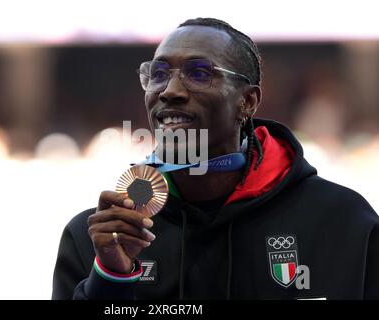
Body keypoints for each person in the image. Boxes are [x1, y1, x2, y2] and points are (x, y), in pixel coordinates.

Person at [51, 17, 379, 300]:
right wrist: (110, 279)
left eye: (198, 73)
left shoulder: (342, 223)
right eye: (159, 73)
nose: (169, 90)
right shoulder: (97, 239)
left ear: (247, 102)